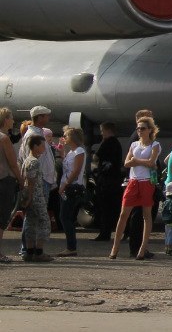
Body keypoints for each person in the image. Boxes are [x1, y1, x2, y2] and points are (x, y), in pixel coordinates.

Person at [111, 116, 161, 261]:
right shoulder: (134, 145)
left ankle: (142, 248)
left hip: (146, 182)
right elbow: (126, 163)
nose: (140, 131)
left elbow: (152, 162)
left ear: (150, 130)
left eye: (143, 128)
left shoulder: (155, 145)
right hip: (133, 181)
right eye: (138, 128)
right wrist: (140, 162)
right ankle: (115, 247)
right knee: (123, 214)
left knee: (146, 215)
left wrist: (136, 161)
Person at [19, 106, 57, 258]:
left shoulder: (38, 133)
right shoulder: (33, 135)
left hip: (43, 180)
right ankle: (34, 250)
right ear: (39, 117)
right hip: (39, 185)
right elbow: (31, 177)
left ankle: (29, 250)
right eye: (46, 116)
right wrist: (30, 193)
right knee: (40, 219)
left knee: (32, 219)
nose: (48, 118)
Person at [56, 126, 88, 257]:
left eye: (66, 136)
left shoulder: (79, 151)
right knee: (65, 216)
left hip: (72, 187)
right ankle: (70, 246)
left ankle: (71, 246)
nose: (64, 138)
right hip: (67, 185)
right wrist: (62, 151)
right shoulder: (71, 152)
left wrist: (65, 185)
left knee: (65, 217)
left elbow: (76, 170)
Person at [92, 122, 123, 241]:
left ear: (107, 130)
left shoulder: (107, 142)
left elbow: (96, 157)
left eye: (102, 130)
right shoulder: (117, 143)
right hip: (115, 179)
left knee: (105, 208)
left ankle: (104, 233)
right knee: (114, 207)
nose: (101, 133)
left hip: (106, 180)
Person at [0, 107, 22, 263]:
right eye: (11, 117)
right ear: (5, 119)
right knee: (2, 218)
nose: (13, 120)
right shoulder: (4, 139)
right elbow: (13, 163)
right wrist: (21, 180)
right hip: (4, 179)